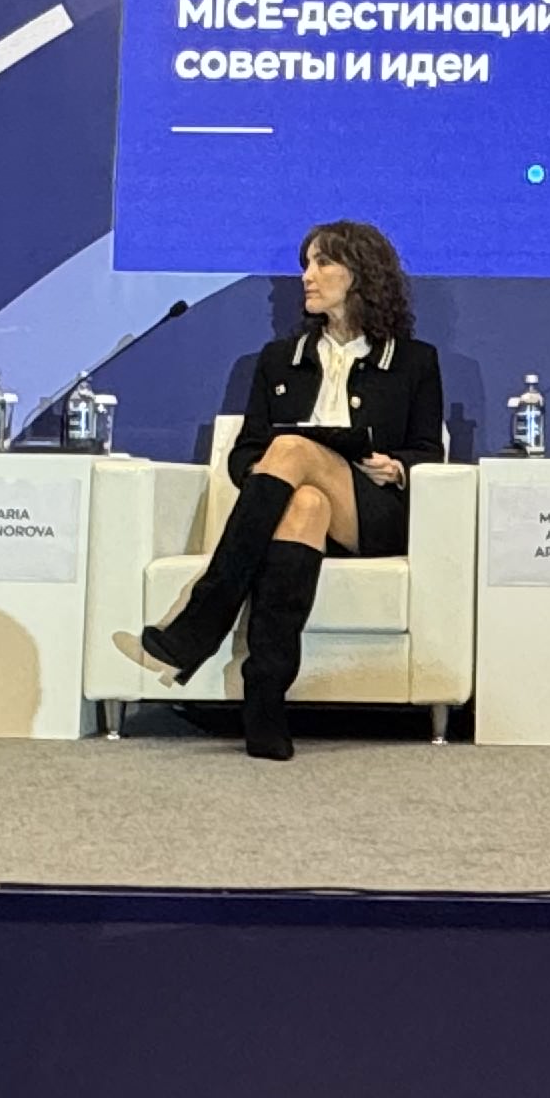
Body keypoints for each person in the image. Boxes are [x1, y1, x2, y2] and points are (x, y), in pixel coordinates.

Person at [129, 220, 441, 762]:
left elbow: (428, 451)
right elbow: (245, 453)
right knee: (304, 501)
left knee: (293, 448)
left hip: (373, 513)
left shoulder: (414, 360)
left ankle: (201, 621)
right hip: (299, 511)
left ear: (361, 274)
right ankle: (266, 700)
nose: (307, 277)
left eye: (323, 263)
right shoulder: (279, 358)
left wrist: (395, 467)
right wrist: (272, 473)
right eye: (306, 264)